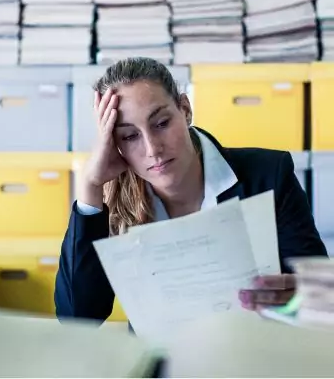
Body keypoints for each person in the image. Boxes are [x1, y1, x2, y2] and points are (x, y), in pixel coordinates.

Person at [55, 57, 328, 322]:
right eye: (129, 136)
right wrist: (90, 187)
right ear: (115, 144)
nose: (152, 149)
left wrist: (300, 296)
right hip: (166, 362)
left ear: (185, 109)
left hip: (256, 356)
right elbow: (78, 315)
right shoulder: (112, 201)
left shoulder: (269, 173)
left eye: (161, 123)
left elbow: (319, 294)